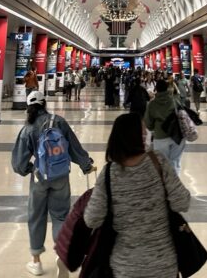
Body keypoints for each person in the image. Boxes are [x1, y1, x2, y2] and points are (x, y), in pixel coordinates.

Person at [84, 113, 190, 278]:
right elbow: (182, 203)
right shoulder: (158, 162)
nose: (146, 134)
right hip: (163, 264)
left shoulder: (109, 173)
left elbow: (92, 219)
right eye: (144, 131)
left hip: (125, 266)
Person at [13, 90, 95, 277]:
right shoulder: (58, 121)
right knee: (60, 216)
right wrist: (86, 165)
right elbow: (74, 147)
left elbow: (18, 163)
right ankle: (62, 255)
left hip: (39, 178)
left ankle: (36, 261)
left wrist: (29, 169)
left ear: (29, 107)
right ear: (44, 103)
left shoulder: (28, 128)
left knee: (36, 217)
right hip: (60, 176)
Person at [144, 78, 185, 174]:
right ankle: (175, 182)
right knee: (175, 162)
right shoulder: (175, 100)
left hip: (161, 136)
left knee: (161, 163)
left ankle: (165, 183)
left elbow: (148, 124)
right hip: (177, 135)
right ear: (167, 89)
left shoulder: (152, 104)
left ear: (156, 89)